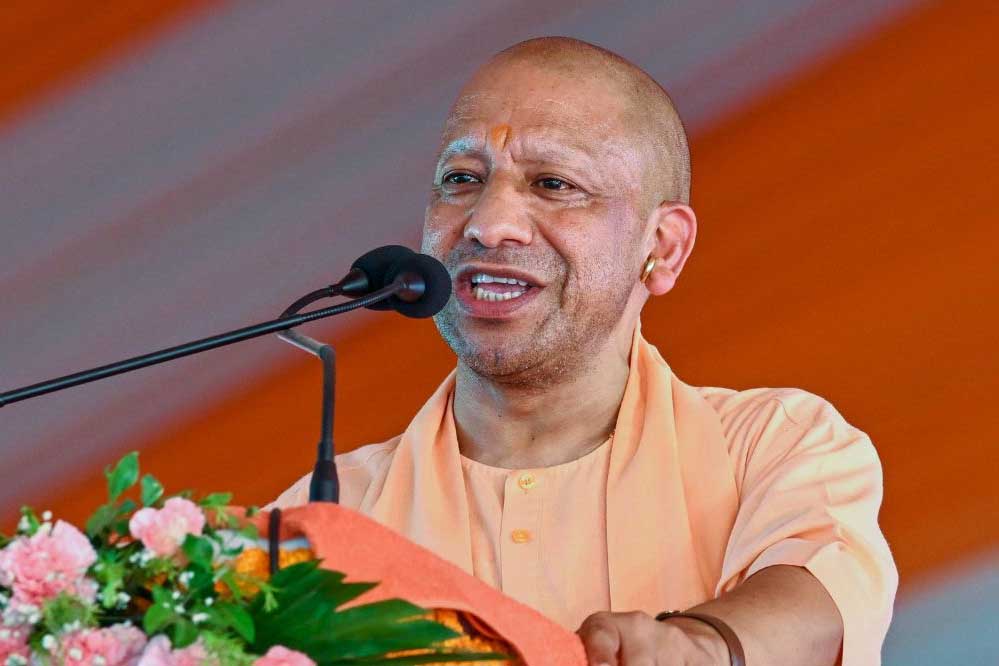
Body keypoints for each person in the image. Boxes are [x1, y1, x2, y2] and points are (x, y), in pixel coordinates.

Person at [271, 37, 897, 665]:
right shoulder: (314, 521)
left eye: (553, 183)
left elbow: (813, 606)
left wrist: (698, 647)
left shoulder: (771, 446)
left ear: (663, 247)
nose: (489, 224)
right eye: (462, 179)